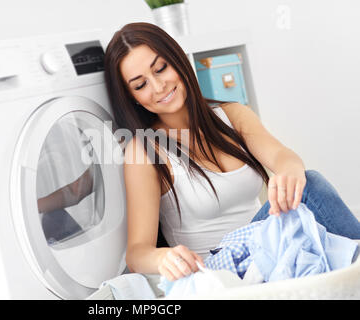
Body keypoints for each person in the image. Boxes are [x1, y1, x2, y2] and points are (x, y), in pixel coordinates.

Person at [103, 22, 360, 282]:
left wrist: (290, 170)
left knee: (310, 199)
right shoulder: (145, 150)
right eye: (140, 85)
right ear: (132, 98)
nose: (158, 86)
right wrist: (163, 258)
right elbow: (136, 254)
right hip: (220, 268)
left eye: (161, 68)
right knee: (311, 189)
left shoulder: (232, 115)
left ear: (177, 60)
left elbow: (282, 157)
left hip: (267, 248)